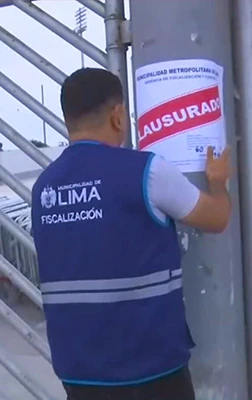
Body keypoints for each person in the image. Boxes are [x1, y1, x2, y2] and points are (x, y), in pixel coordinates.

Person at [31, 68, 233, 400]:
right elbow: (217, 218)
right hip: (151, 373)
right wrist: (218, 182)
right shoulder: (146, 171)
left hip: (79, 374)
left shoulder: (44, 188)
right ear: (117, 116)